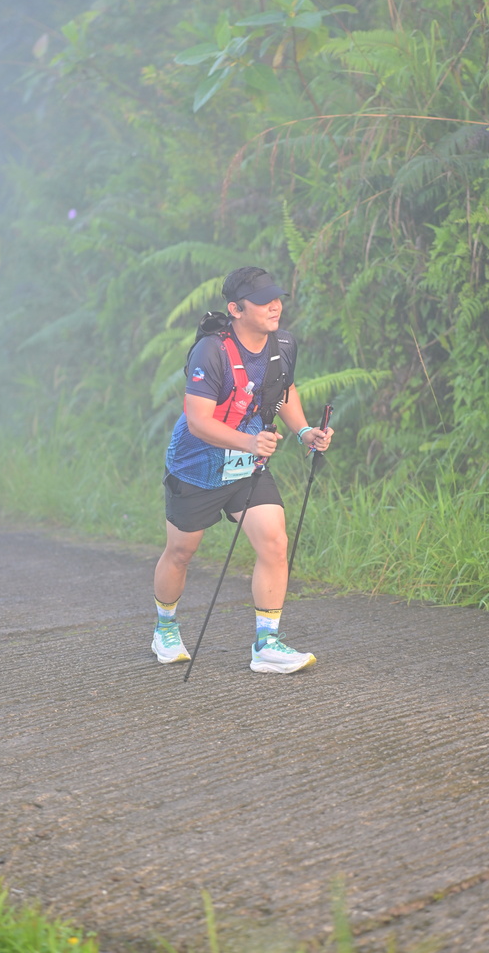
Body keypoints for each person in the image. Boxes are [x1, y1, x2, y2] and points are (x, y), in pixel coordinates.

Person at [152, 266, 332, 674]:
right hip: (196, 465)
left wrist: (304, 431)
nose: (275, 306)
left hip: (246, 466)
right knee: (180, 552)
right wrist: (249, 442)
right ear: (235, 309)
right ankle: (165, 628)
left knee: (274, 542)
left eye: (277, 298)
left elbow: (284, 390)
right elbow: (197, 421)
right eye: (263, 301)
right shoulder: (211, 351)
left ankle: (266, 645)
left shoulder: (283, 343)